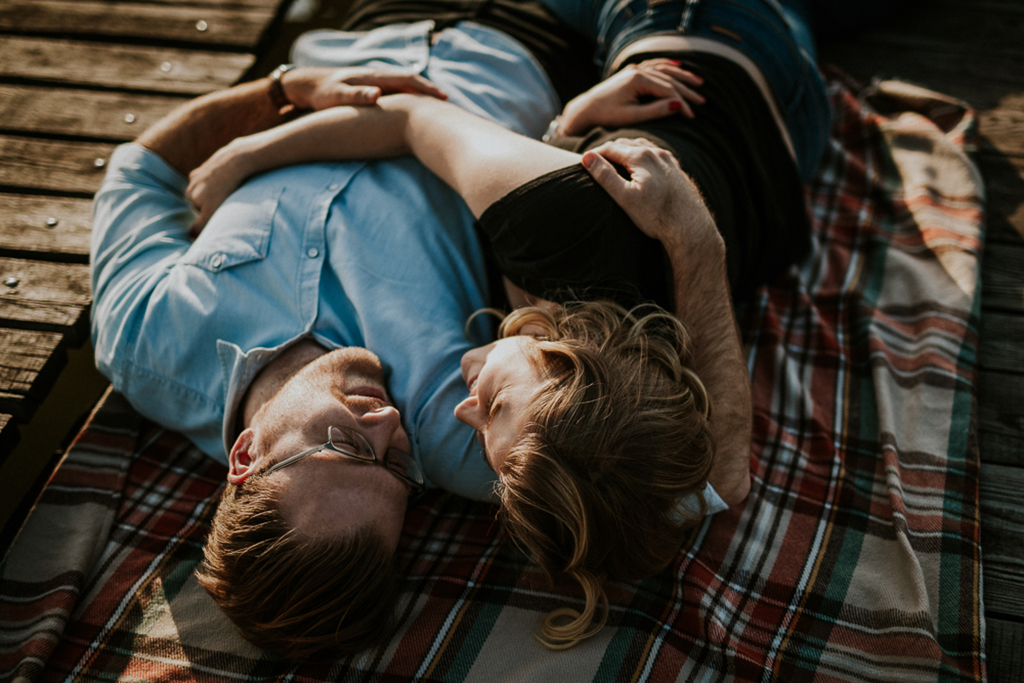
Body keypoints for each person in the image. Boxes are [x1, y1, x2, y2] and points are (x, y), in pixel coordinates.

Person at [185, 0, 847, 650]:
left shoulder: (631, 395)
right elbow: (412, 116)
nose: (461, 410)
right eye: (494, 406)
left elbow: (726, 482)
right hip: (705, 34)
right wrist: (241, 157)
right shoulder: (554, 226)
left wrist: (567, 133)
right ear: (562, 359)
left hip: (789, 142)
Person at [89, 6, 600, 659]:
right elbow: (679, 489)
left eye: (348, 445)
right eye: (396, 466)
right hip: (536, 44)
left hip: (367, 24)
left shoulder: (144, 339)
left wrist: (286, 89)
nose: (388, 422)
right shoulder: (465, 429)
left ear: (245, 456)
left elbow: (143, 168)